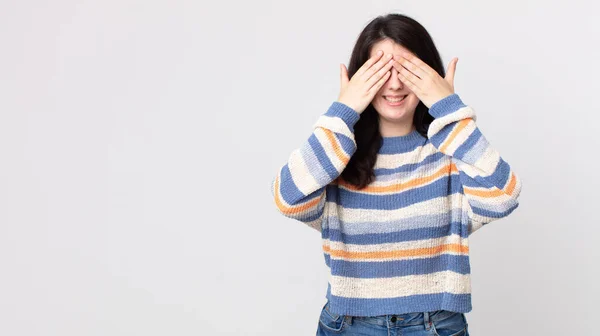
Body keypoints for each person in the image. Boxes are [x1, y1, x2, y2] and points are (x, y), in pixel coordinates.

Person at [270, 13, 522, 336]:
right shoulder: (335, 156)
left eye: (407, 70)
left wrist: (448, 107)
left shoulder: (452, 151)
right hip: (348, 325)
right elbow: (286, 197)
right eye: (380, 71)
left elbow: (505, 195)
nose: (394, 83)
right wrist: (343, 110)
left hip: (435, 325)